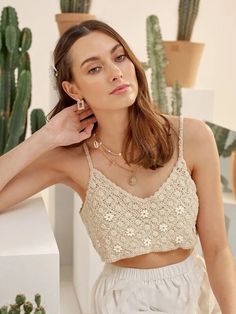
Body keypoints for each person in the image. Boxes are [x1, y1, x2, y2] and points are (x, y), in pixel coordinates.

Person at [0, 19, 235, 314]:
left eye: (119, 57)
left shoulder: (192, 137)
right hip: (122, 302)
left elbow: (217, 250)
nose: (116, 73)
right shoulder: (70, 159)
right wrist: (44, 137)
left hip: (192, 297)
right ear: (73, 89)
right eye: (94, 68)